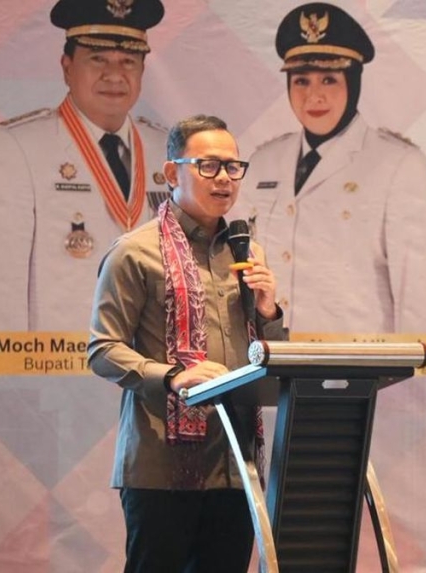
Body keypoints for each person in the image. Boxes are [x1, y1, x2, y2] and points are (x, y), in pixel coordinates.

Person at [88, 114, 285, 572]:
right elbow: (103, 349)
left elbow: (268, 357)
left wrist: (269, 311)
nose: (224, 179)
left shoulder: (246, 253)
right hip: (161, 465)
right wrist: (174, 377)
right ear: (172, 174)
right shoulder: (135, 252)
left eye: (233, 167)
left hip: (235, 464)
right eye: (208, 166)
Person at [231, 2, 426, 334]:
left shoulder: (399, 165)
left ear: (354, 81)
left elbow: (419, 302)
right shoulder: (263, 162)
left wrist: (419, 366)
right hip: (271, 354)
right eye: (301, 81)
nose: (313, 95)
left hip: (354, 360)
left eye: (329, 79)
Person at [0, 0, 170, 331]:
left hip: (151, 355)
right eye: (98, 59)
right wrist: (8, 361)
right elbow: (0, 285)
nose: (114, 75)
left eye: (128, 61)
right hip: (62, 355)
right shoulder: (21, 147)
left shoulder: (166, 149)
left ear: (142, 71)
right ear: (67, 67)